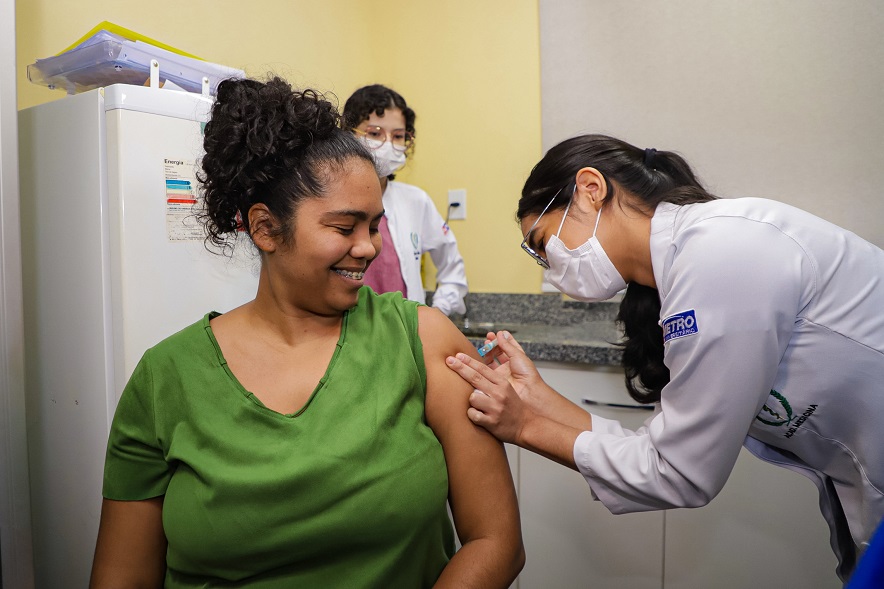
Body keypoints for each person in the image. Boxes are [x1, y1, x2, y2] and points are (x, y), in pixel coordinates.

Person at [89, 76, 523, 588]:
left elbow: (496, 542)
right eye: (344, 228)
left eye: (374, 226)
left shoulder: (423, 340)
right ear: (266, 228)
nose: (368, 248)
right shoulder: (165, 378)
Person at [445, 134, 884, 583]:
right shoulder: (683, 271)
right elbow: (659, 446)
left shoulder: (720, 254)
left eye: (542, 244)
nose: (550, 267)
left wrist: (524, 425)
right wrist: (537, 398)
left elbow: (679, 473)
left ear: (591, 189)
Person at [342, 84, 468, 316]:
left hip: (406, 333)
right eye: (374, 133)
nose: (388, 143)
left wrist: (436, 313)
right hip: (344, 332)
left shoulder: (415, 201)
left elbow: (452, 268)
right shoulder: (329, 199)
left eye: (398, 136)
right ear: (349, 134)